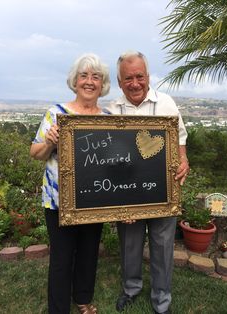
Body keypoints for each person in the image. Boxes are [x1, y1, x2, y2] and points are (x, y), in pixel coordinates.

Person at [106, 50, 189, 314]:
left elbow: (180, 139)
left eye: (139, 76)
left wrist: (184, 161)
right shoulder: (111, 110)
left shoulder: (166, 103)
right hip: (127, 194)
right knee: (129, 245)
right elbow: (105, 159)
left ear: (148, 77)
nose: (135, 83)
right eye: (128, 78)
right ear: (120, 82)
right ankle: (131, 289)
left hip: (163, 192)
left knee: (163, 246)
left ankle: (161, 300)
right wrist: (119, 200)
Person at [30, 53, 110, 314]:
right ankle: (58, 309)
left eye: (95, 77)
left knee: (88, 254)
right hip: (58, 201)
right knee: (62, 259)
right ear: (74, 82)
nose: (89, 81)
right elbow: (35, 153)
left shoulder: (109, 119)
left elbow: (116, 163)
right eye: (83, 76)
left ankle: (83, 300)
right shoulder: (56, 113)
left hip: (94, 200)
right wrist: (51, 141)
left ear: (103, 84)